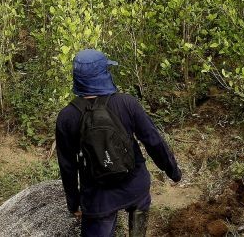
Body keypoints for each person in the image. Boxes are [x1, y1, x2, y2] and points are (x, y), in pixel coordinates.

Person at [55, 49, 182, 237]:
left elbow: (68, 166)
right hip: (135, 188)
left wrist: (73, 203)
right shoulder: (127, 103)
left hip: (99, 199)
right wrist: (173, 172)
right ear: (104, 75)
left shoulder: (66, 117)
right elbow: (154, 141)